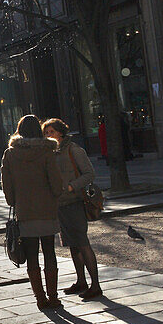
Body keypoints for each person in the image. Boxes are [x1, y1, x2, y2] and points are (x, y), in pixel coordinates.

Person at [1, 114, 64, 311]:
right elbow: (55, 182)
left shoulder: (10, 154)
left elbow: (7, 184)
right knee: (49, 253)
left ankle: (40, 298)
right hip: (46, 209)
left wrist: (13, 201)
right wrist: (56, 195)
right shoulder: (47, 152)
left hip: (25, 210)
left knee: (32, 256)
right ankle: (53, 297)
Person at [43, 118, 102, 299]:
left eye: (51, 132)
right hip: (60, 204)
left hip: (74, 202)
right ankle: (81, 281)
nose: (48, 135)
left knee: (82, 243)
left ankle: (95, 285)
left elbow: (89, 174)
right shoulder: (50, 152)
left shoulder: (73, 150)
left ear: (60, 132)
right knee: (72, 245)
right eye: (46, 133)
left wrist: (71, 186)